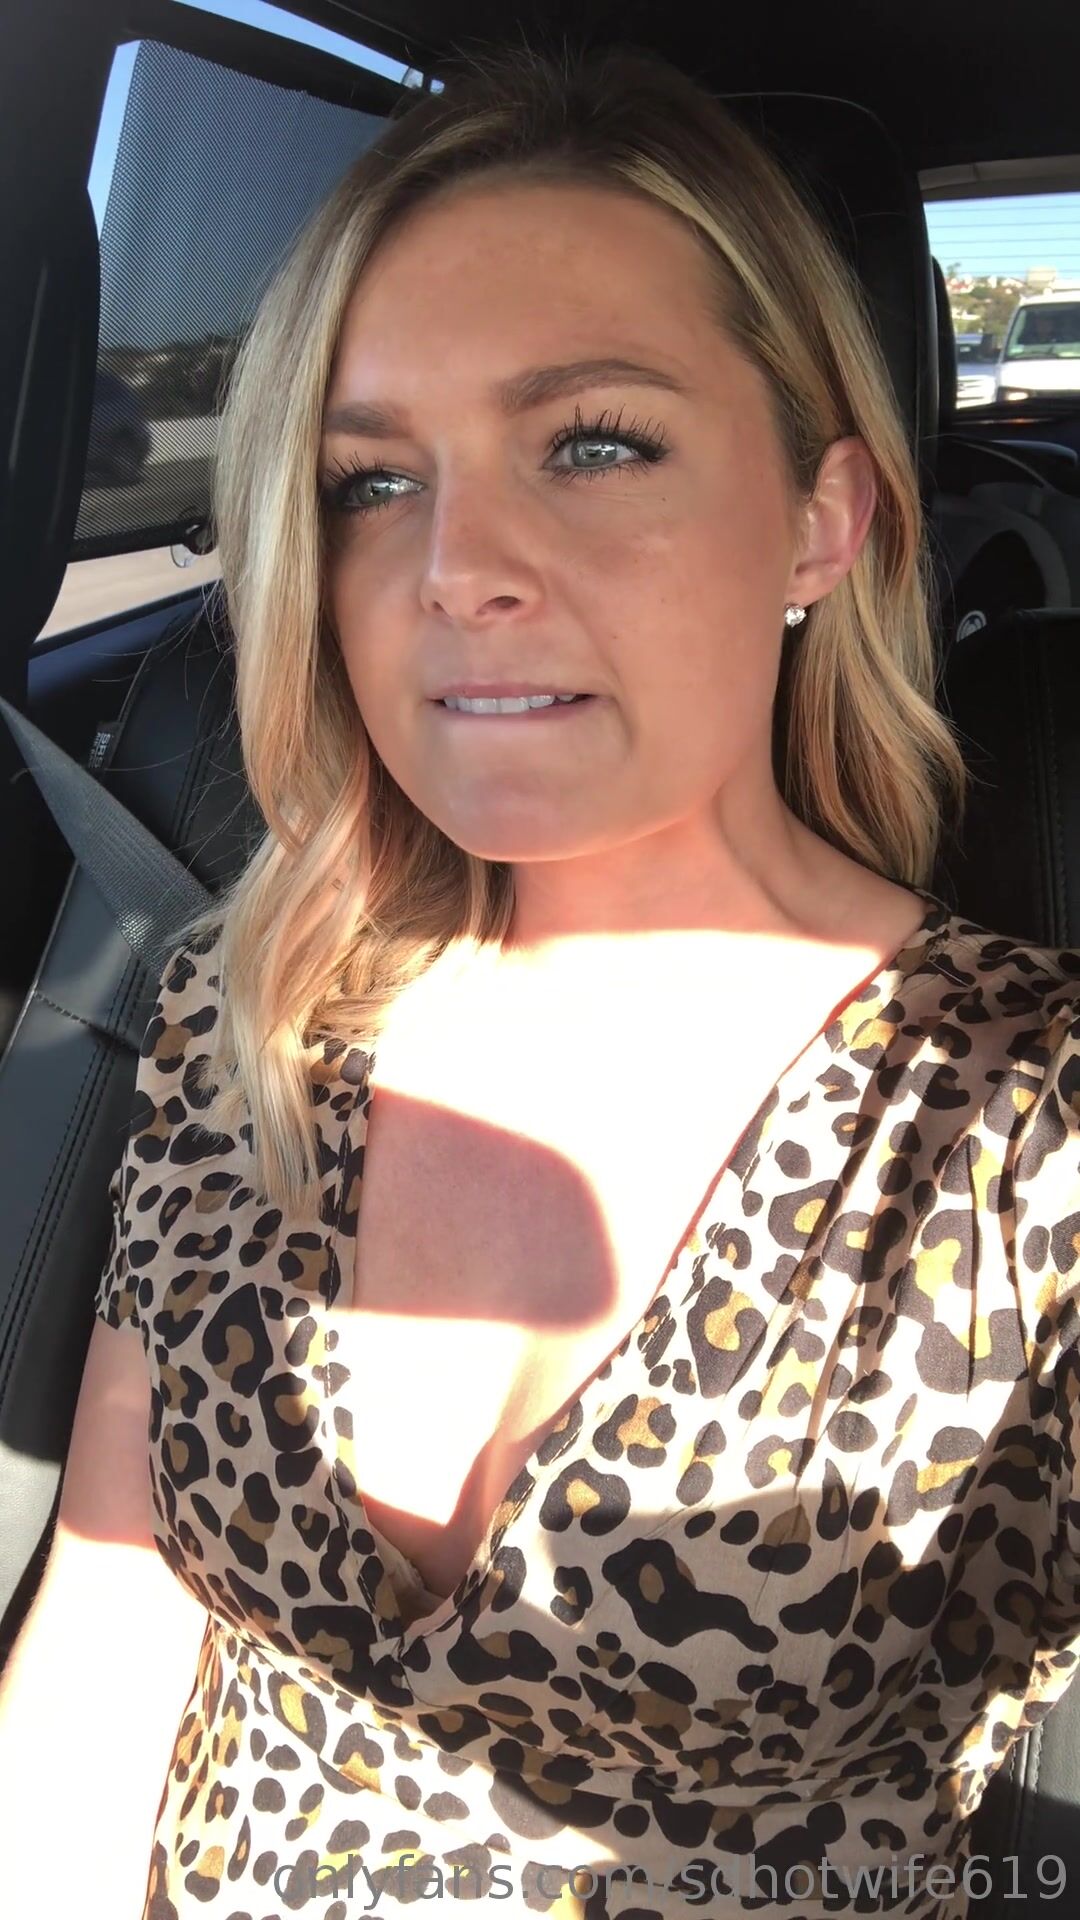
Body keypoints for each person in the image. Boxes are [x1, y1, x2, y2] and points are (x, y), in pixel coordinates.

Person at [3, 32, 1080, 1920]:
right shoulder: (249, 1023)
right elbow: (103, 1656)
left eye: (593, 443)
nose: (455, 567)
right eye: (369, 480)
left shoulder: (1021, 1138)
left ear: (822, 520)